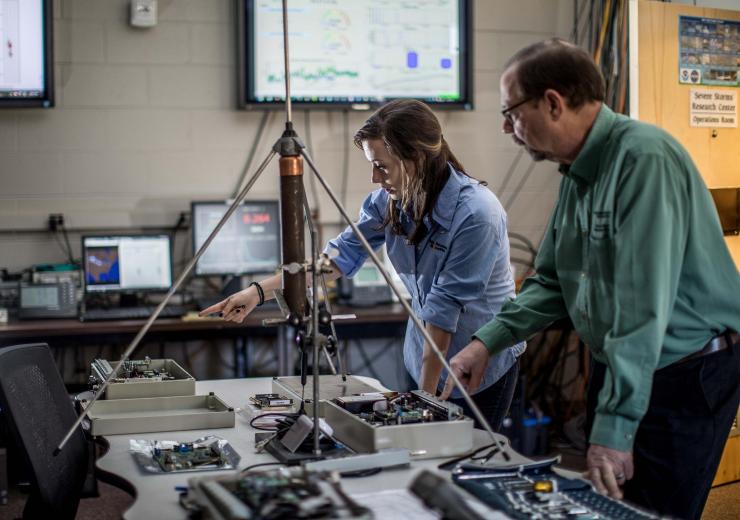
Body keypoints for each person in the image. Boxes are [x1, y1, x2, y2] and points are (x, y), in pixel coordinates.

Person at [441, 38, 740, 519]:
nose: (506, 127)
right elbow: (554, 281)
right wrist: (485, 343)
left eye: (511, 111)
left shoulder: (643, 160)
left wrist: (614, 430)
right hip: (626, 363)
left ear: (553, 103)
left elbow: (640, 311)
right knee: (614, 506)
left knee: (654, 510)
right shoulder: (580, 172)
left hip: (683, 372)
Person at [201, 99, 525, 430]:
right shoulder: (389, 201)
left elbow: (443, 311)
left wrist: (422, 407)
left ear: (415, 158)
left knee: (465, 459)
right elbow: (337, 259)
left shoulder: (477, 214)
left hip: (478, 365)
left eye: (381, 166)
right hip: (423, 351)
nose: (374, 177)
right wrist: (258, 292)